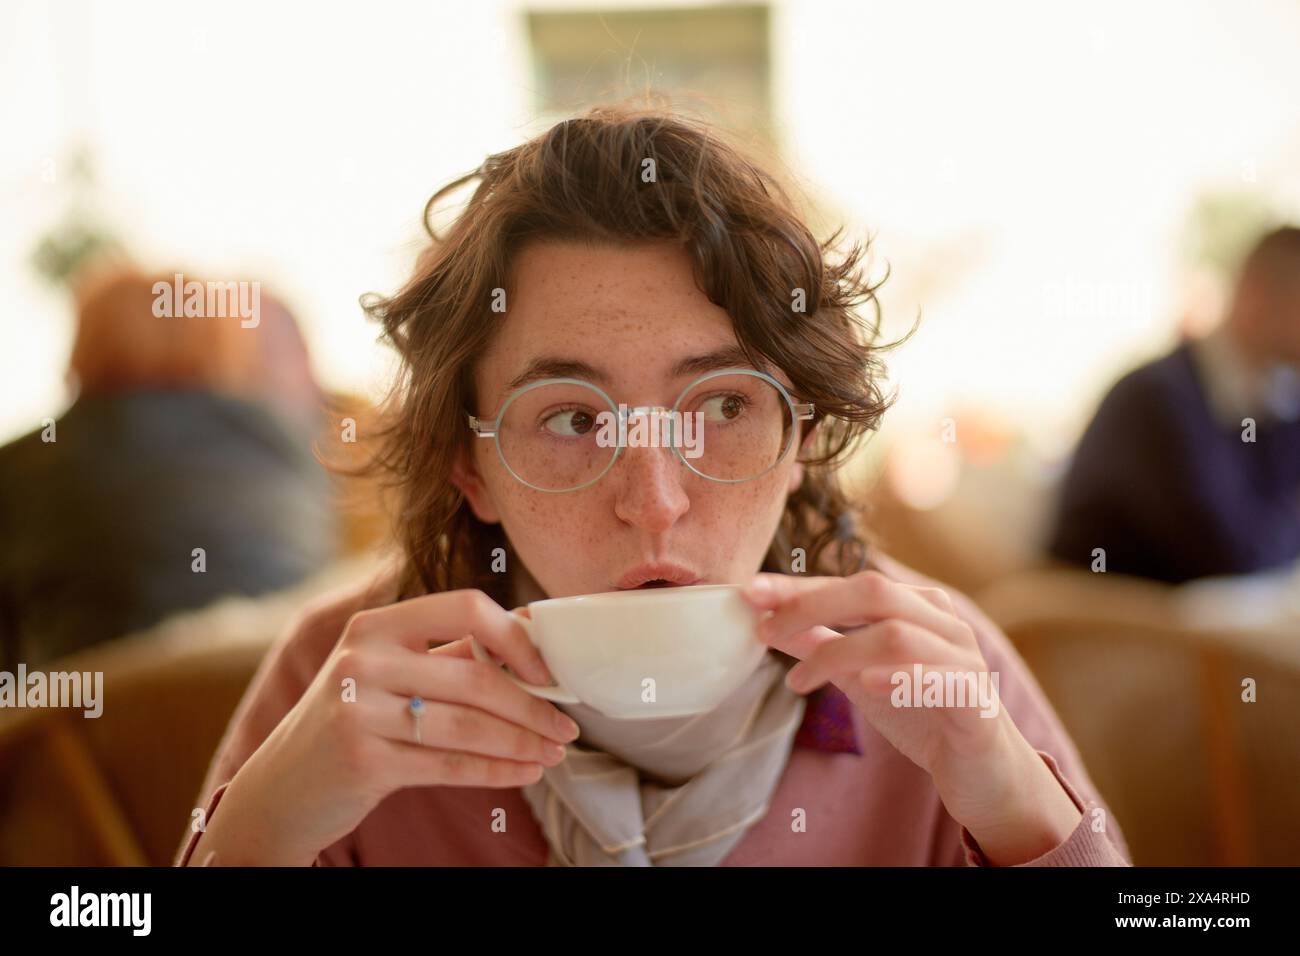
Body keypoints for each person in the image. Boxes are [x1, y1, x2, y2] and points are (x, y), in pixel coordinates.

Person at [178, 104, 1130, 867]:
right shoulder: (345, 688)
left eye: (722, 408)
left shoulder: (937, 676)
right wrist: (254, 839)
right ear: (472, 468)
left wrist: (1014, 804)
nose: (656, 500)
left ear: (800, 436)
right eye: (572, 418)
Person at [0, 268, 340, 670]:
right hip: (278, 681)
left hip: (101, 714)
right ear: (216, 341)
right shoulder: (282, 442)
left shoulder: (24, 464)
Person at [1048, 227, 1300, 583]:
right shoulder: (1156, 400)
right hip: (1109, 625)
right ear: (1258, 297)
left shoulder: (1272, 403)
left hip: (1187, 623)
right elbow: (1229, 559)